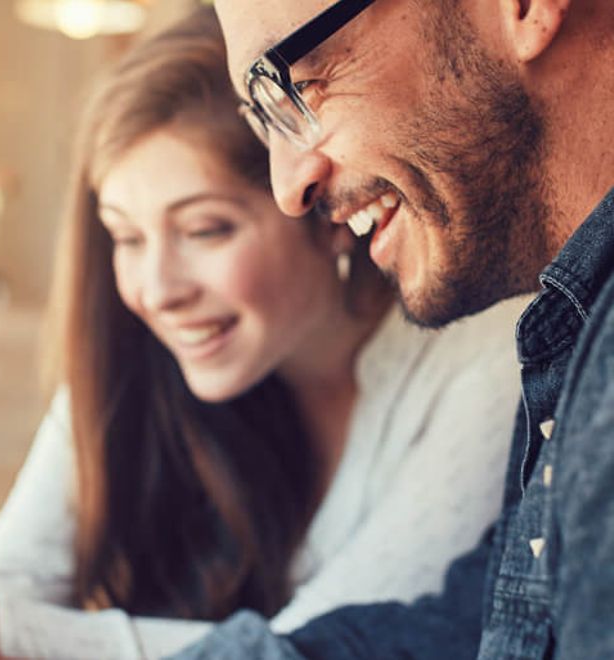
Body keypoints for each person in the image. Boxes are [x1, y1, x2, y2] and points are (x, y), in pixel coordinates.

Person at [0, 7, 527, 659]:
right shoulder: (136, 361)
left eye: (204, 229)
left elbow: (309, 648)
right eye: (126, 237)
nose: (157, 291)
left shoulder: (488, 362)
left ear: (317, 205)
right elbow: (5, 581)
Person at [166, 0, 614, 657]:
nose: (288, 188)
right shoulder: (577, 326)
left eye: (296, 77)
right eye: (263, 116)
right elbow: (472, 622)